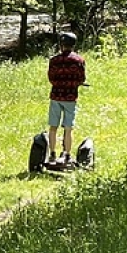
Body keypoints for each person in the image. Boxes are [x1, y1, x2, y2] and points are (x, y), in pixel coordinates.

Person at [45, 32, 86, 167]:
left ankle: (52, 154)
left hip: (56, 96)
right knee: (68, 128)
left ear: (61, 45)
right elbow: (81, 79)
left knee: (53, 127)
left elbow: (51, 79)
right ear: (73, 44)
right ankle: (67, 154)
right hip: (70, 97)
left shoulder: (54, 60)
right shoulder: (79, 60)